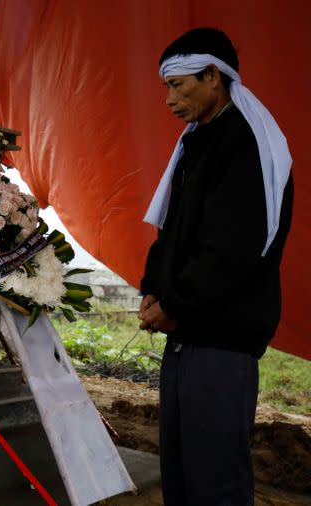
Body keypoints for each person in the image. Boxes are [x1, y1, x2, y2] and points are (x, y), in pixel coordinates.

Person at [138, 27, 293, 505]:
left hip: (223, 337)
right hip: (187, 329)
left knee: (216, 477)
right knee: (182, 472)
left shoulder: (245, 143)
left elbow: (232, 248)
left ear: (212, 76)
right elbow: (173, 230)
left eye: (178, 84)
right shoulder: (196, 142)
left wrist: (175, 301)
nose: (169, 99)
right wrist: (151, 288)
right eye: (166, 86)